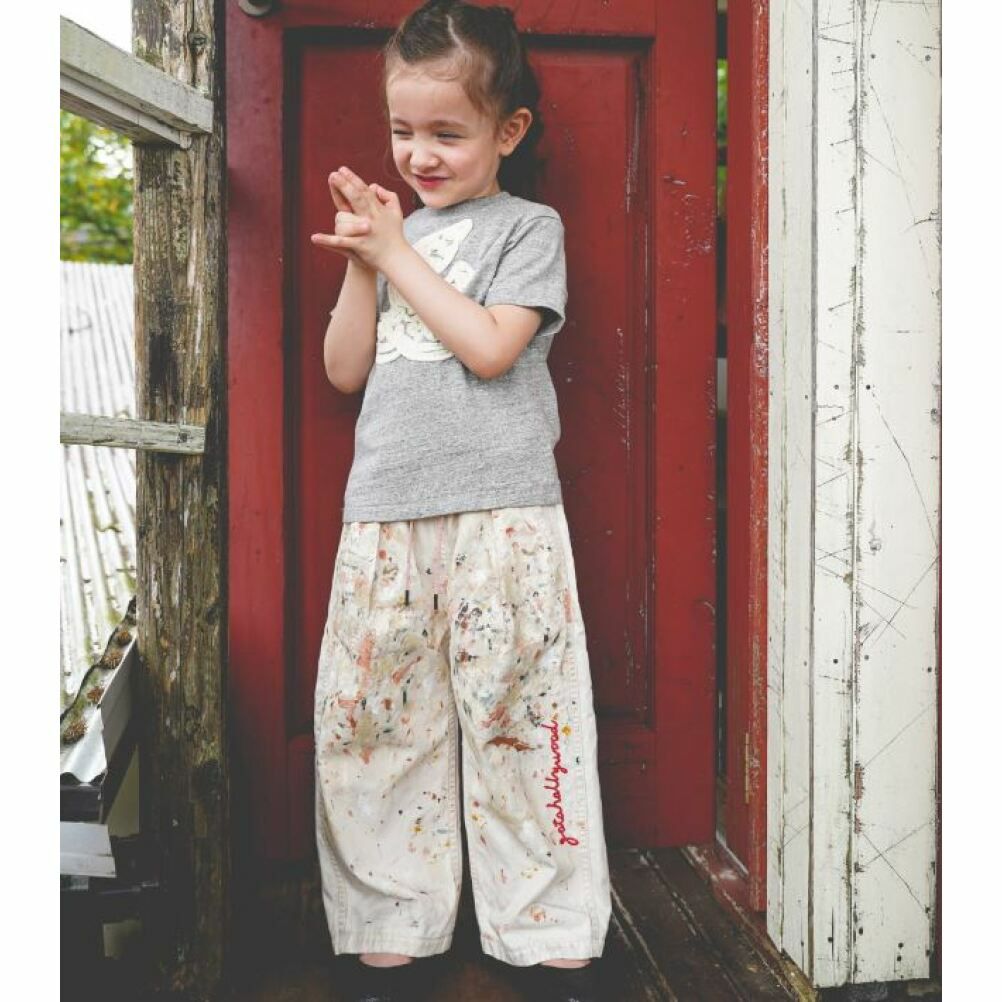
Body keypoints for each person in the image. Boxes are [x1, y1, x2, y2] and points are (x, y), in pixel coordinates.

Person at [310, 2, 611, 998]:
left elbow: (490, 349)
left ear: (507, 130)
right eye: (403, 131)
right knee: (375, 718)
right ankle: (391, 914)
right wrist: (367, 264)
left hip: (502, 513)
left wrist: (396, 254)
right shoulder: (393, 238)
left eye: (447, 132)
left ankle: (548, 923)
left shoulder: (527, 228)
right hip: (387, 515)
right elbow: (345, 369)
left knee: (522, 713)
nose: (420, 155)